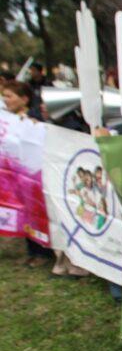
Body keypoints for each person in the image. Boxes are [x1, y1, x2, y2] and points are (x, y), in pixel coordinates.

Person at [1, 80, 53, 268]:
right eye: (4, 96)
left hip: (35, 175)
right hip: (16, 176)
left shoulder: (35, 118)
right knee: (24, 209)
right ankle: (32, 249)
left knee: (37, 208)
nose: (5, 100)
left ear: (24, 99)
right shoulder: (7, 120)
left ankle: (43, 251)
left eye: (9, 96)